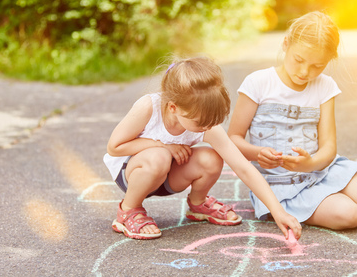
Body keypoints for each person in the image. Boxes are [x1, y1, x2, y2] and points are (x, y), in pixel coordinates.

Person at [227, 11, 357, 230]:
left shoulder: (324, 87)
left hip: (320, 170)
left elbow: (328, 147)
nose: (305, 71)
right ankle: (354, 180)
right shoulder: (258, 83)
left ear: (329, 60)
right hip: (278, 186)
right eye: (298, 60)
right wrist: (257, 153)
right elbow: (233, 138)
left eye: (318, 65)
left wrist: (311, 164)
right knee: (350, 216)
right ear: (285, 44)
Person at [104, 56, 302, 240]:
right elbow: (115, 147)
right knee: (159, 156)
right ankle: (129, 209)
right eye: (200, 123)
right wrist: (164, 146)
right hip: (133, 175)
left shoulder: (204, 120)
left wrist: (278, 211)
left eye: (210, 122)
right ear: (173, 107)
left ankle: (198, 205)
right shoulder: (150, 107)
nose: (206, 127)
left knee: (212, 158)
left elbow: (243, 167)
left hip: (167, 177)